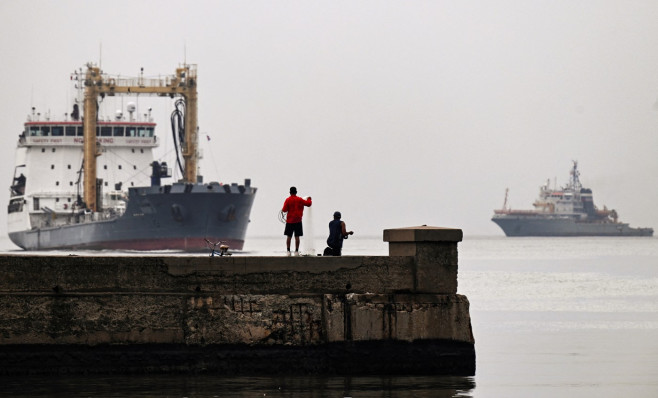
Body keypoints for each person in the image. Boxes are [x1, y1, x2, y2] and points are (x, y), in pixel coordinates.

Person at [281, 186, 312, 256]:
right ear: (296, 192)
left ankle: (288, 251)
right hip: (298, 221)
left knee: (289, 236)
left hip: (289, 221)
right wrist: (309, 198)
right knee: (297, 237)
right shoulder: (300, 200)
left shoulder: (288, 200)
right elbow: (309, 204)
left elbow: (284, 210)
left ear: (290, 192)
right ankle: (296, 251)